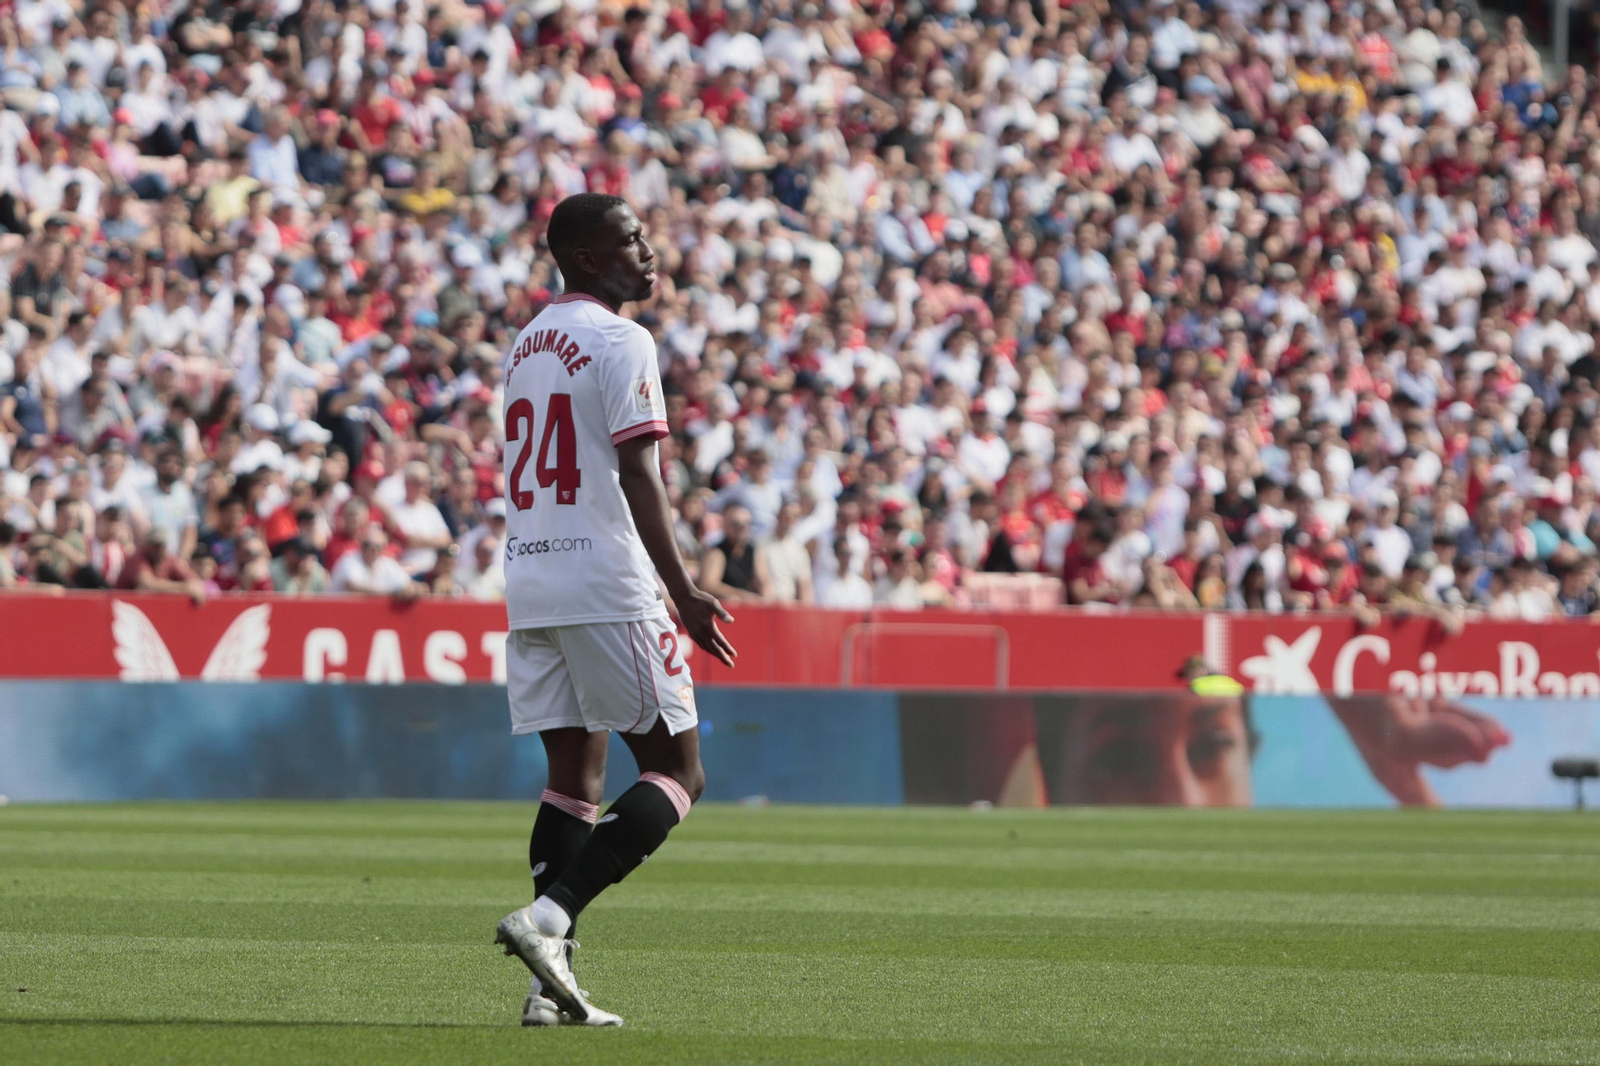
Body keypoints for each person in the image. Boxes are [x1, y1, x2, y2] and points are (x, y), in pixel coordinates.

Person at [492, 194, 736, 1029]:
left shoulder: (527, 343)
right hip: (604, 581)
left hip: (532, 578)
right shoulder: (623, 339)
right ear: (589, 258)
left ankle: (545, 991)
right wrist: (684, 589)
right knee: (679, 771)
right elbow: (640, 474)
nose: (648, 249)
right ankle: (546, 921)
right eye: (630, 238)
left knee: (573, 785)